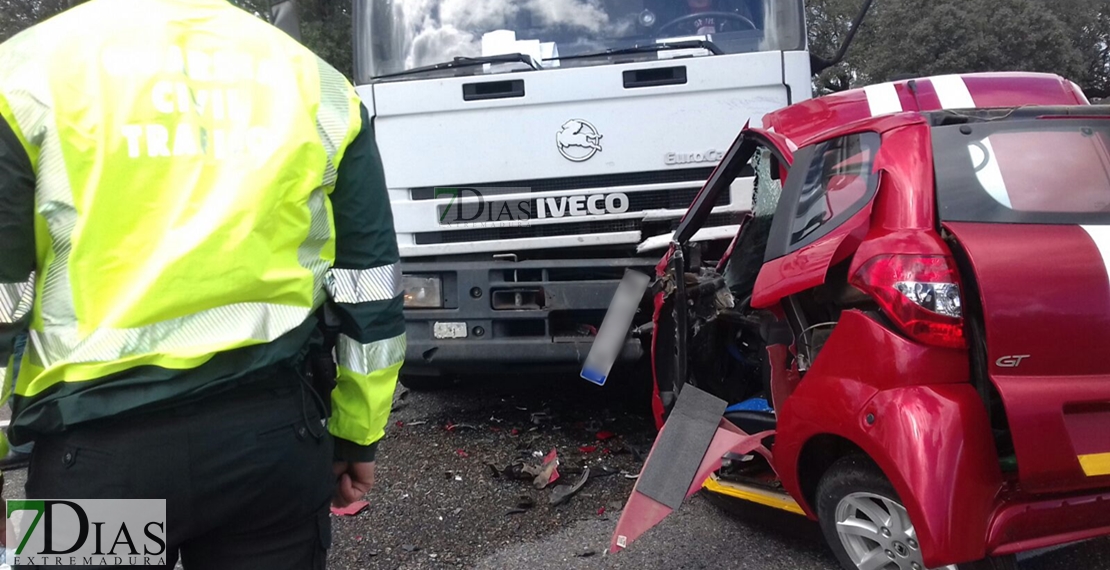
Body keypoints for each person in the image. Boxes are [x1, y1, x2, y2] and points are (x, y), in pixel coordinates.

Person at [0, 0, 405, 567]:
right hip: (271, 448)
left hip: (99, 461)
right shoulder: (312, 79)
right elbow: (370, 287)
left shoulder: (22, 76)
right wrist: (358, 434)